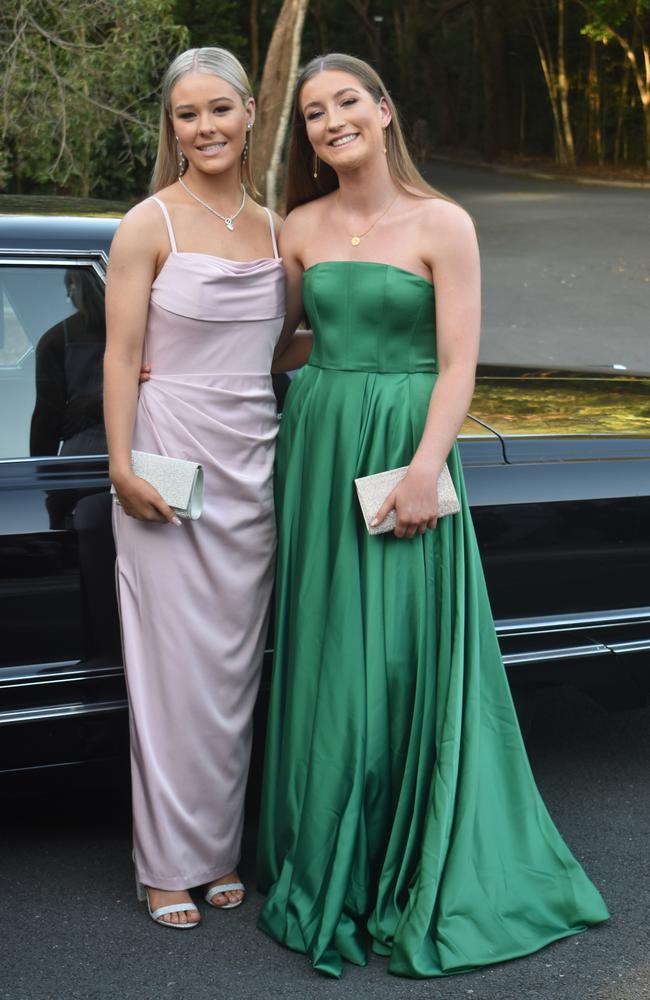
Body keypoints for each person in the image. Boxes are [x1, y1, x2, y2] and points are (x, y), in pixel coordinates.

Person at [255, 53, 609, 978]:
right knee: (333, 647)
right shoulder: (297, 225)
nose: (331, 121)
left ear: (381, 111)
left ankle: (413, 857)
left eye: (345, 104)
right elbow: (282, 338)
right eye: (313, 113)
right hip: (323, 439)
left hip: (407, 446)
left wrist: (421, 471)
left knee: (405, 652)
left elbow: (458, 365)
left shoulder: (443, 222)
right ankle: (335, 847)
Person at [103, 47, 285, 929]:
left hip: (254, 465)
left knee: (230, 674)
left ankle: (215, 849)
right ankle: (166, 863)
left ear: (251, 112)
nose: (205, 127)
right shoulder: (149, 223)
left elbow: (281, 344)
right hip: (167, 460)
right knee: (169, 672)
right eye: (186, 114)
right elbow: (119, 355)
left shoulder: (280, 228)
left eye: (220, 109)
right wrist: (121, 466)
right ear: (170, 127)